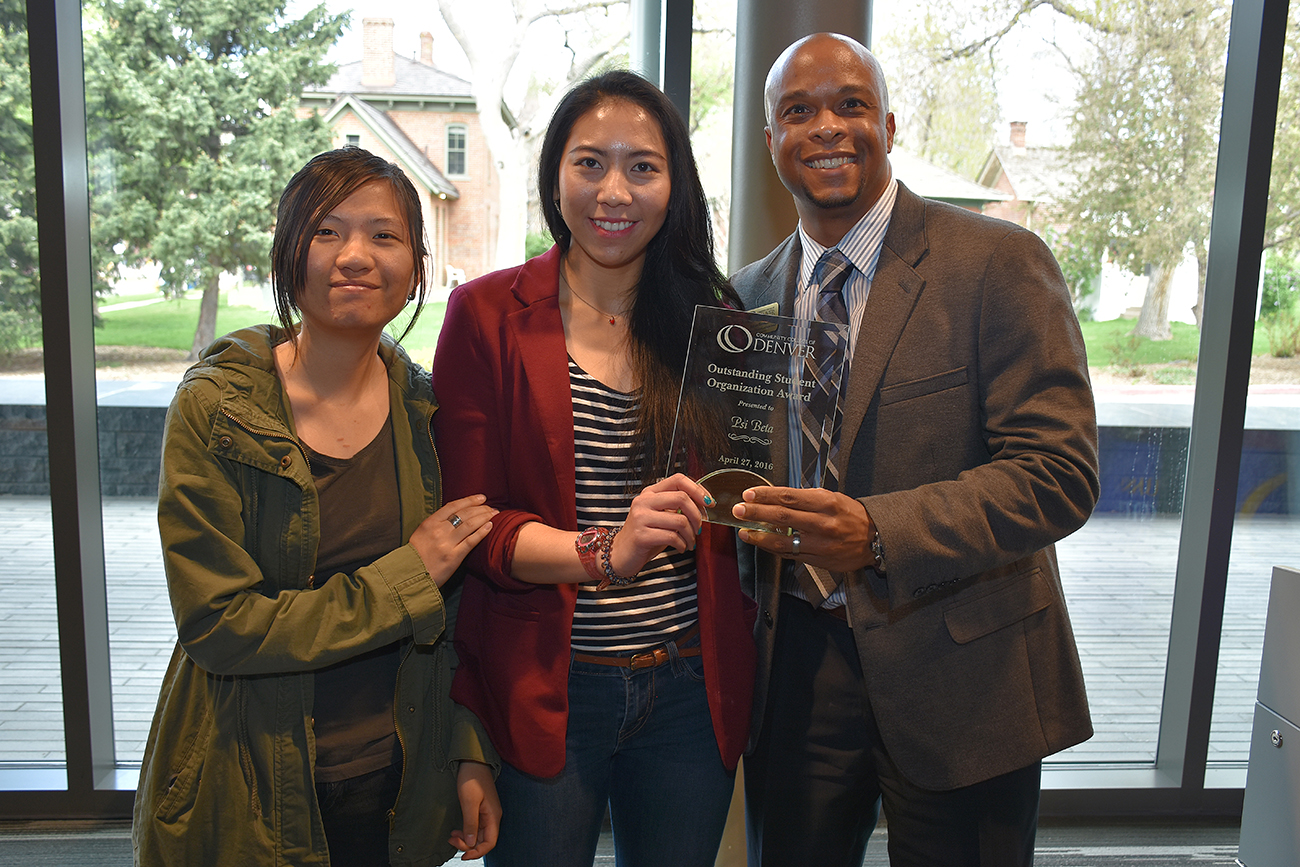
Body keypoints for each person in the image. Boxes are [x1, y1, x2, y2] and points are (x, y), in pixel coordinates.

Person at [729, 33, 1100, 867]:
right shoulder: (746, 298)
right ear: (770, 141)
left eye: (850, 105)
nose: (825, 127)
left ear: (889, 123)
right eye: (799, 111)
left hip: (964, 666)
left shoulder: (999, 263)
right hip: (796, 677)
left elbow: (1059, 474)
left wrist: (877, 531)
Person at [133, 147, 501, 867]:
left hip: (392, 782)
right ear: (289, 251)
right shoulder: (216, 409)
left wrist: (467, 748)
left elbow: (456, 607)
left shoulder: (426, 411)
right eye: (327, 231)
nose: (355, 256)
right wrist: (403, 577)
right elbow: (219, 623)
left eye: (384, 235)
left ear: (416, 267)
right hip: (249, 781)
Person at [432, 70, 757, 867]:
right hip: (549, 685)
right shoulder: (486, 314)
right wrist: (607, 549)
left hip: (689, 684)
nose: (615, 190)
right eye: (590, 163)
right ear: (554, 175)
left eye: (642, 166)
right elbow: (471, 524)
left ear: (674, 184)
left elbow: (745, 498)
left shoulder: (716, 326)